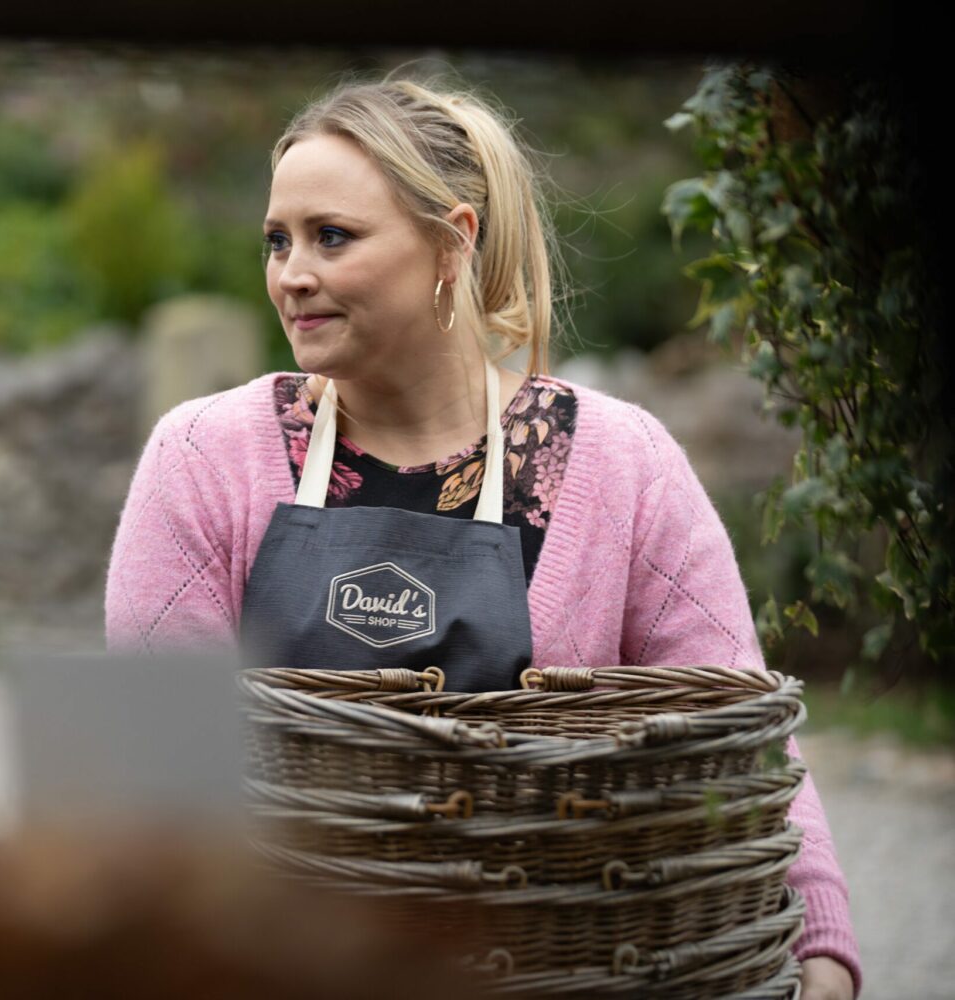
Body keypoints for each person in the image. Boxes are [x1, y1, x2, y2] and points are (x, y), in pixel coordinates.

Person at [106, 79, 860, 998]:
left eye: (330, 236)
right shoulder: (202, 458)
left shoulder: (621, 463)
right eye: (278, 240)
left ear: (452, 242)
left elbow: (740, 739)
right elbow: (150, 776)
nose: (289, 273)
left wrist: (821, 937)